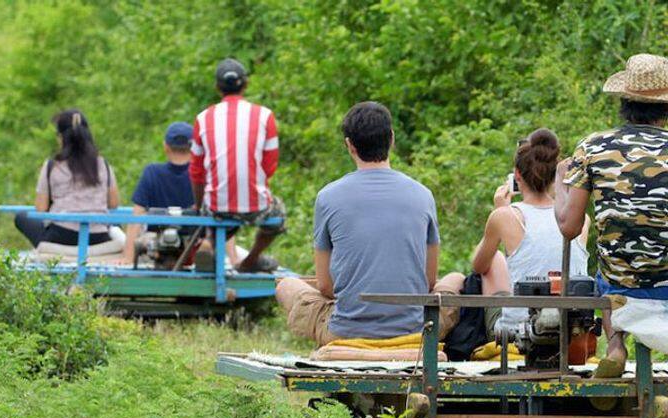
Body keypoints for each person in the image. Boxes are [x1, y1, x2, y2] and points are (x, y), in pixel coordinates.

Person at [276, 101, 439, 345]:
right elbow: (429, 280)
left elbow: (325, 285)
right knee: (455, 279)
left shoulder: (328, 197)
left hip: (346, 331)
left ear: (349, 145)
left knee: (286, 285)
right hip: (413, 329)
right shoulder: (423, 194)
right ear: (392, 139)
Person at [556, 54, 668, 378]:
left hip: (621, 282)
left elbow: (569, 226)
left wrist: (559, 183)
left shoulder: (593, 147)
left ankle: (616, 344)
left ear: (623, 100)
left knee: (608, 265)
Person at [437, 129, 590, 343]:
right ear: (555, 174)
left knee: (494, 262)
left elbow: (478, 267)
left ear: (517, 175)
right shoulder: (581, 220)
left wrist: (500, 210)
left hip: (519, 332)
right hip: (573, 331)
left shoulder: (506, 216)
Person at [190, 58, 284, 273]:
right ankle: (251, 259)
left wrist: (199, 206)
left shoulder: (203, 118)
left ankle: (208, 242)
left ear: (217, 88)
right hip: (255, 205)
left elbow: (196, 172)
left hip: (216, 205)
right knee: (277, 214)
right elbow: (269, 166)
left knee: (218, 208)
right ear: (246, 84)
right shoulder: (264, 116)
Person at [121, 122, 237, 265]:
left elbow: (136, 218)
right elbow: (221, 215)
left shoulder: (152, 172)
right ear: (194, 148)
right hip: (194, 242)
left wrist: (127, 257)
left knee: (147, 241)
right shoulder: (204, 175)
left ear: (166, 146)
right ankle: (206, 249)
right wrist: (233, 259)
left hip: (160, 243)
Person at [15, 109, 120, 247]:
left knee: (21, 217)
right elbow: (113, 204)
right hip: (98, 237)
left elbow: (41, 208)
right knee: (115, 222)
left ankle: (49, 251)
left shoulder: (52, 166)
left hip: (61, 237)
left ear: (61, 138)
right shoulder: (102, 164)